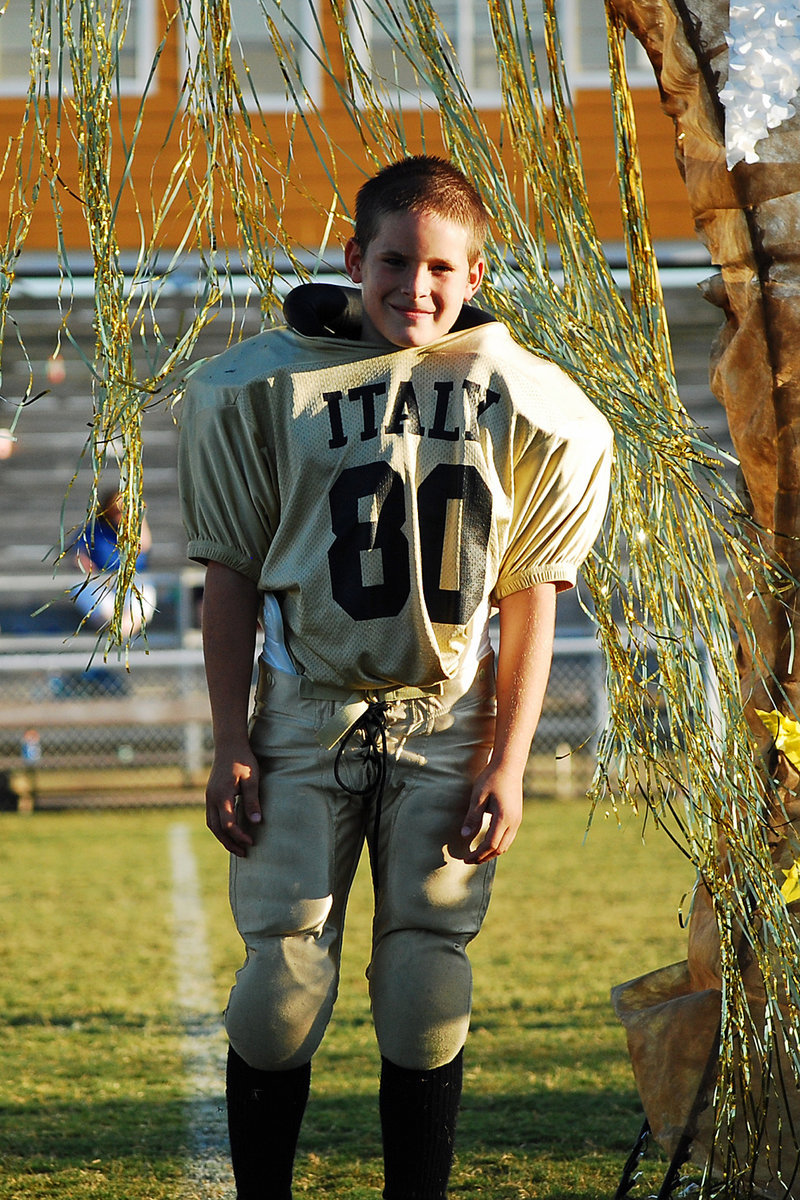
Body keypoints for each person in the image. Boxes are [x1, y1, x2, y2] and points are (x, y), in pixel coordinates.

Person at [178, 155, 613, 1200]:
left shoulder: (523, 395)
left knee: (426, 983)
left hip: (446, 715)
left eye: (440, 268)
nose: (415, 286)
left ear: (475, 274)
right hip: (305, 708)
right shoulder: (269, 385)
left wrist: (509, 762)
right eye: (393, 261)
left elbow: (529, 595)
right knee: (279, 982)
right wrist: (230, 736)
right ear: (353, 260)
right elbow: (230, 575)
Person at [73, 486, 157, 639]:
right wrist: (88, 568)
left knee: (141, 599)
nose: (121, 514)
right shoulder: (95, 529)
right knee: (97, 601)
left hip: (133, 581)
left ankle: (119, 635)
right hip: (100, 581)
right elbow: (78, 556)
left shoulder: (134, 530)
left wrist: (140, 516)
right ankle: (118, 635)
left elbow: (144, 546)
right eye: (117, 510)